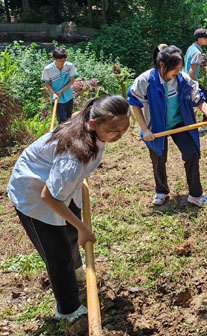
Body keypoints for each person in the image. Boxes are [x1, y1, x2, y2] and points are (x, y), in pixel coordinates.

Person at [7, 95, 130, 322]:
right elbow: (49, 197)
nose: (120, 135)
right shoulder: (75, 156)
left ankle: (76, 271)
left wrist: (78, 227)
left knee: (71, 231)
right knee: (58, 255)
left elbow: (76, 114)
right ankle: (68, 310)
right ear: (93, 125)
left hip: (60, 183)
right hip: (33, 193)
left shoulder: (85, 118)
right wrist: (84, 227)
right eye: (114, 131)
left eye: (125, 128)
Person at [128, 45, 207, 207]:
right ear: (162, 65)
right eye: (175, 68)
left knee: (191, 154)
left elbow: (197, 97)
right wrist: (145, 129)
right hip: (155, 127)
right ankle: (161, 191)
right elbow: (135, 104)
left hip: (179, 122)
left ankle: (195, 195)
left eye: (180, 67)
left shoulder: (182, 79)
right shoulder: (146, 80)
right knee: (158, 159)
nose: (178, 71)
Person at [183, 29, 207, 122]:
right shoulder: (197, 52)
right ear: (199, 39)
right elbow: (191, 70)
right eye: (206, 38)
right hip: (190, 81)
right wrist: (194, 86)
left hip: (185, 80)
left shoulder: (191, 48)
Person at [42, 48, 78, 123]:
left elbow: (72, 81)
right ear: (54, 59)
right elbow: (47, 84)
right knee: (61, 120)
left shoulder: (70, 66)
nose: (62, 63)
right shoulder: (47, 69)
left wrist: (61, 91)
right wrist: (54, 94)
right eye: (60, 61)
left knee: (69, 118)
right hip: (56, 98)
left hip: (68, 95)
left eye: (64, 61)